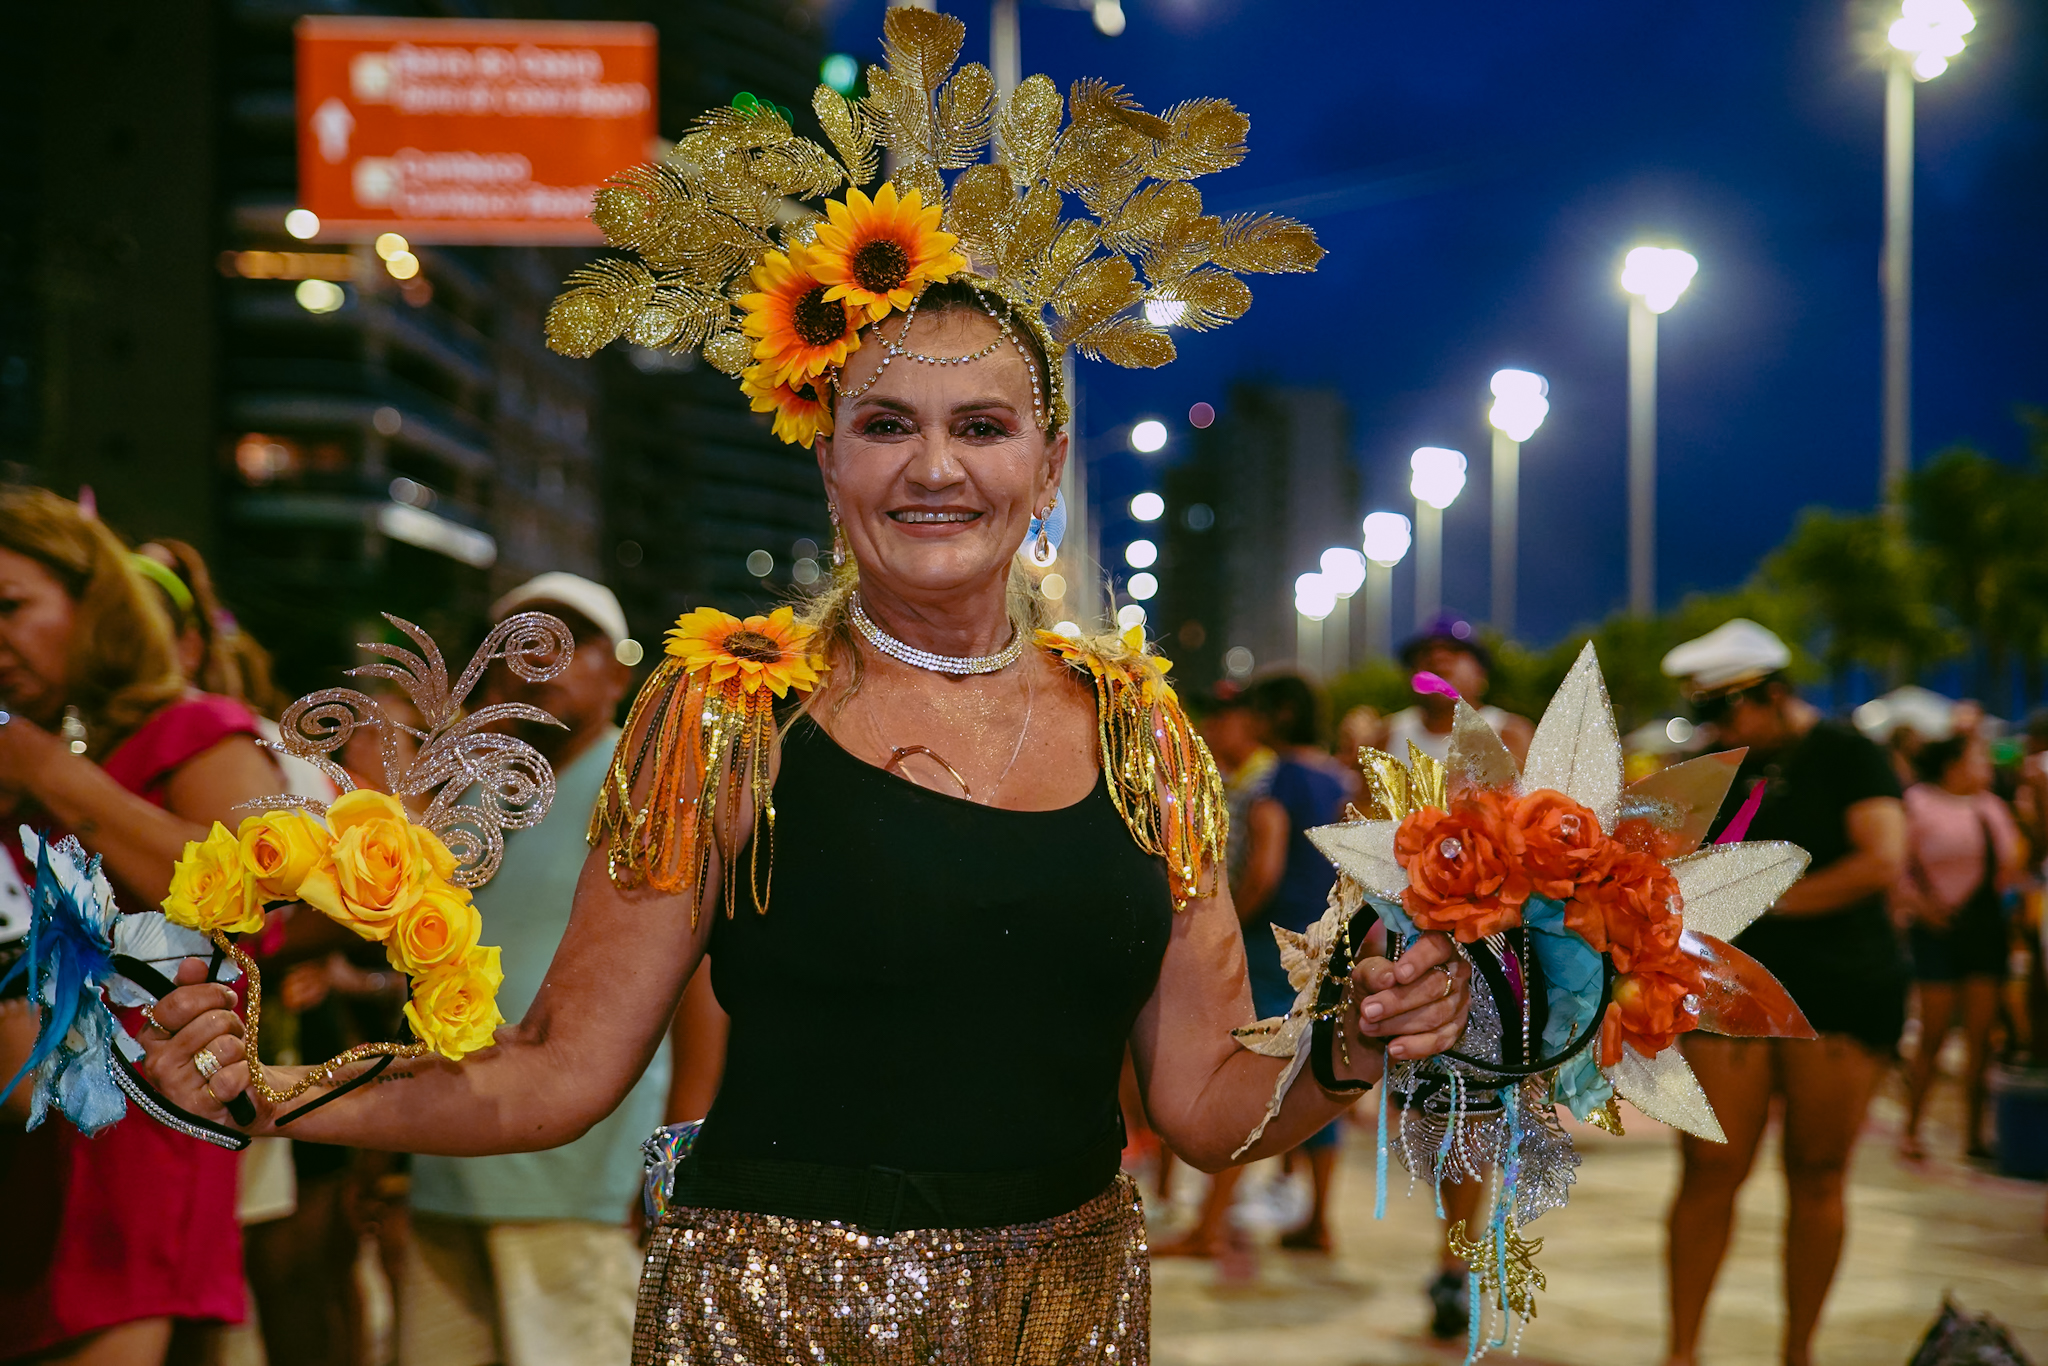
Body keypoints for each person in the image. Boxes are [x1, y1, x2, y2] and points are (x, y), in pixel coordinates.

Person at [134, 21, 1477, 1356]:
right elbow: (555, 1068)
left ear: (1048, 462)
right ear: (828, 462)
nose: (933, 468)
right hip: (774, 1320)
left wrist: (1351, 1042)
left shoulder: (1145, 737)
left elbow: (1202, 1101)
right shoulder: (725, 718)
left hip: (1063, 1323)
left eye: (982, 427)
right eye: (885, 425)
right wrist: (269, 1091)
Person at [0, 487, 283, 1365]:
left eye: (10, 607)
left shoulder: (192, 731)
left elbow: (252, 906)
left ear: (95, 605)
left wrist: (47, 771)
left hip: (131, 1158)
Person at [398, 573, 681, 1366]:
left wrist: (672, 1167)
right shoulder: (475, 797)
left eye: (564, 643)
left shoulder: (645, 779)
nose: (535, 662)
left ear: (616, 671)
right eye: (513, 647)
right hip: (446, 1162)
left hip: (580, 1182)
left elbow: (698, 986)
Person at [1658, 619, 1908, 1366]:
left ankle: (1799, 1353)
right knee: (1709, 1168)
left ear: (1770, 693)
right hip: (1729, 987)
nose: (1714, 726)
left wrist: (1769, 902)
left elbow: (1882, 858)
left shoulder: (1847, 753)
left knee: (1818, 1172)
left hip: (1841, 985)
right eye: (1704, 712)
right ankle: (1681, 1353)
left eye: (1723, 709)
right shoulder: (1716, 764)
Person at [1896, 732, 2023, 1161]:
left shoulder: (1991, 807)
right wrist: (1920, 906)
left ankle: (1974, 1134)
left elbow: (2010, 866)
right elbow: (1898, 865)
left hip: (1982, 929)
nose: (1985, 765)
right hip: (1934, 929)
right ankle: (1912, 1127)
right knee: (1932, 1033)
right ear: (1953, 765)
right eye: (1977, 757)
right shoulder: (1918, 803)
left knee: (1980, 1038)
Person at [1381, 614, 1532, 765]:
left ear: (1481, 673)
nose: (1437, 658)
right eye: (1426, 652)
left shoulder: (1511, 735)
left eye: (1454, 650)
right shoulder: (1386, 735)